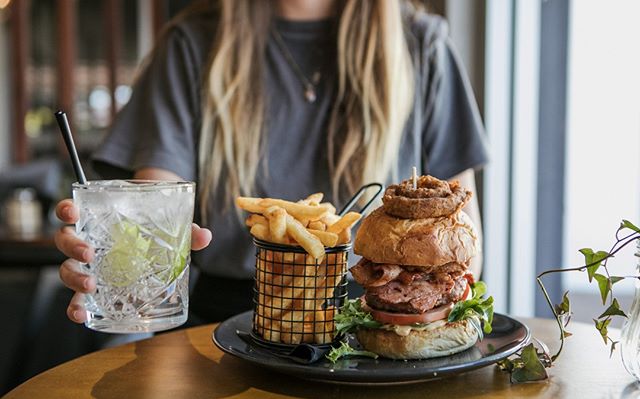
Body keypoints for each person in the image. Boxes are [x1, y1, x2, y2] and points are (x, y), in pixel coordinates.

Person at [55, 0, 488, 325]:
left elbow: (465, 243)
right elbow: (152, 214)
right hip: (221, 329)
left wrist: (419, 294)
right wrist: (123, 264)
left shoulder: (422, 45)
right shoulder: (190, 45)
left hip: (375, 318)